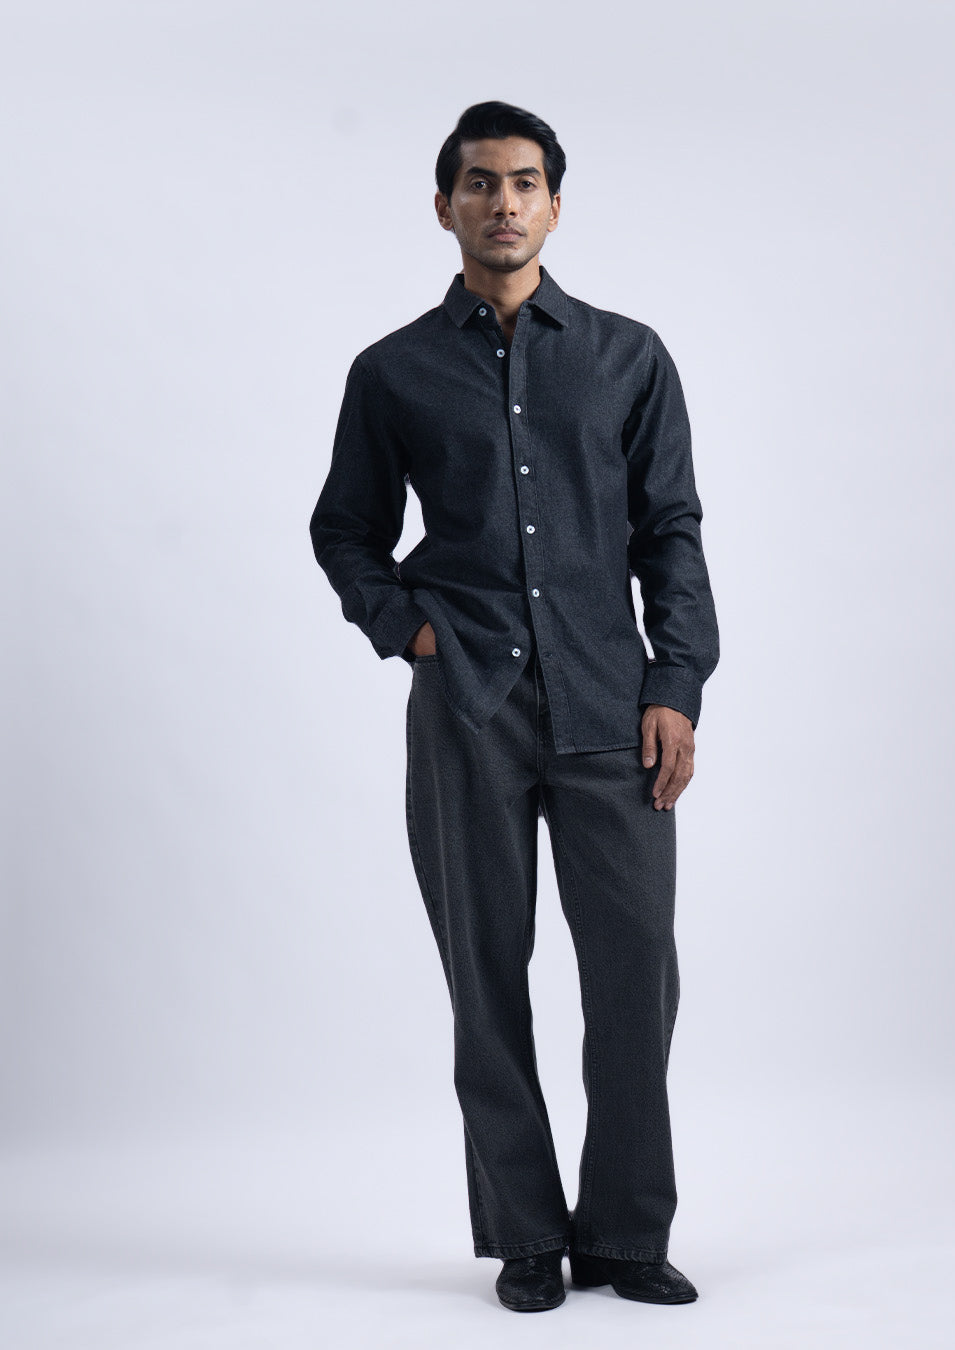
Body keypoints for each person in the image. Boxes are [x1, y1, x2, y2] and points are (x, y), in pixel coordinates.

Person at [309, 100, 719, 1313]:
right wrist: (411, 629)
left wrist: (677, 684)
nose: (504, 201)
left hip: (612, 707)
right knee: (485, 978)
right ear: (444, 207)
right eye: (481, 182)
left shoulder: (629, 357)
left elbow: (672, 533)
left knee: (635, 976)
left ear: (555, 204)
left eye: (525, 181)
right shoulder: (391, 372)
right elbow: (345, 532)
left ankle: (627, 1234)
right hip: (467, 712)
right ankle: (528, 1236)